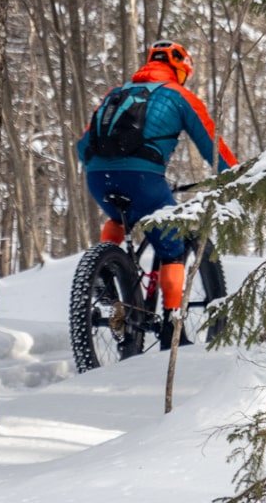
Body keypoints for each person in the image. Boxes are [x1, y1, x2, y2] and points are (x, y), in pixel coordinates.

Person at [77, 39, 238, 349]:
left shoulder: (116, 93)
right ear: (180, 69)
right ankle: (171, 326)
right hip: (144, 179)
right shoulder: (178, 96)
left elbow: (84, 144)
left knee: (117, 216)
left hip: (98, 177)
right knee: (172, 243)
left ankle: (106, 275)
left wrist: (107, 168)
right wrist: (234, 176)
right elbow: (210, 144)